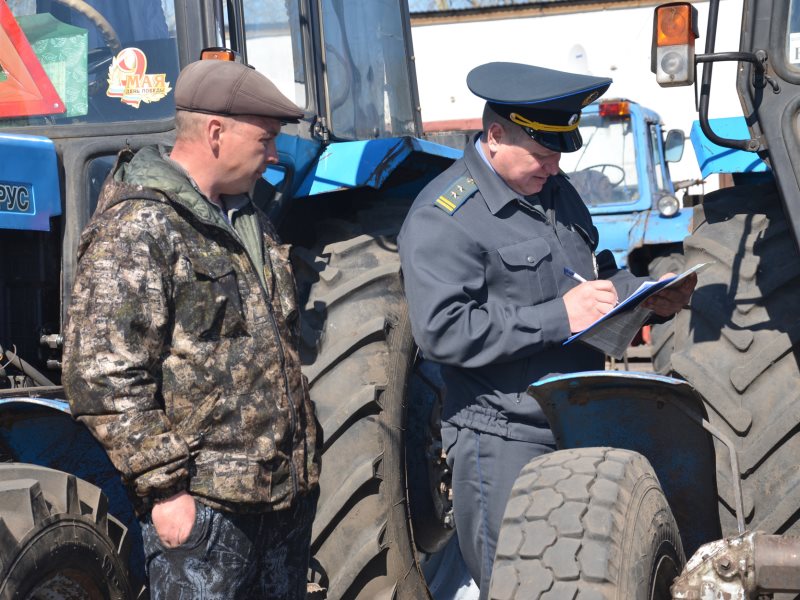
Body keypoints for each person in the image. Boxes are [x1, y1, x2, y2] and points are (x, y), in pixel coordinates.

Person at [398, 61, 695, 598]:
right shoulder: (443, 217)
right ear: (495, 136)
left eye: (559, 153)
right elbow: (442, 332)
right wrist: (561, 318)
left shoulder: (554, 193)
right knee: (519, 586)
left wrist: (647, 297)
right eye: (542, 153)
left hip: (579, 422)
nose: (554, 167)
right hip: (504, 441)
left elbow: (589, 282)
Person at [62, 58, 321, 599]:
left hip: (279, 502)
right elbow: (103, 376)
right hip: (206, 513)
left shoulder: (247, 220)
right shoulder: (141, 225)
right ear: (216, 132)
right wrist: (166, 490)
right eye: (266, 139)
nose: (274, 156)